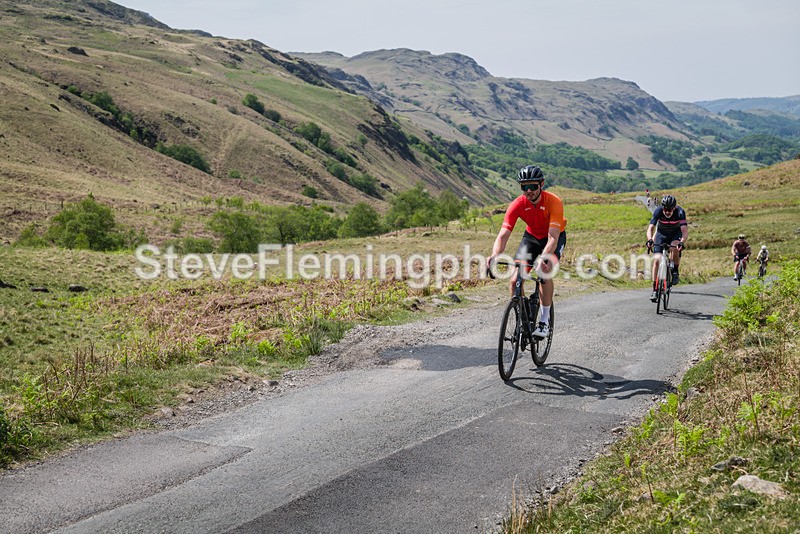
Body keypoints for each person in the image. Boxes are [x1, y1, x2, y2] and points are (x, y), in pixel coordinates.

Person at [487, 165, 567, 340]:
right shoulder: (518, 204)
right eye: (524, 187)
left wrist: (543, 258)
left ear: (541, 184)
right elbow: (503, 234)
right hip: (531, 237)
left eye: (533, 186)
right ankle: (522, 319)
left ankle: (544, 321)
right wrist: (495, 255)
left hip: (553, 237)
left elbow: (553, 238)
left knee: (544, 270)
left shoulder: (554, 202)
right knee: (515, 279)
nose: (529, 191)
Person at [646, 195, 688, 301]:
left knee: (674, 248)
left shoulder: (680, 212)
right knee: (656, 261)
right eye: (665, 209)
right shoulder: (658, 211)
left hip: (675, 234)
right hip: (661, 234)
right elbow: (651, 228)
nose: (667, 212)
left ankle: (675, 271)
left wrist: (682, 242)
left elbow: (684, 231)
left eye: (670, 210)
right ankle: (655, 290)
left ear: (674, 208)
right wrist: (650, 239)